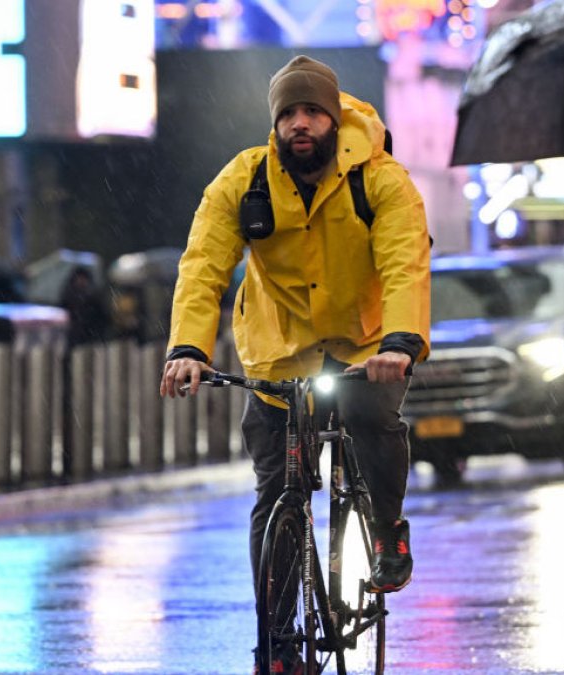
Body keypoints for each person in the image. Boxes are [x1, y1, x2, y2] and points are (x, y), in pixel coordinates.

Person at [158, 56, 430, 672]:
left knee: (374, 421)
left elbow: (404, 262)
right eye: (288, 114)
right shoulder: (243, 180)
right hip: (277, 352)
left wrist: (401, 342)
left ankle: (387, 528)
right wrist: (188, 350)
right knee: (276, 490)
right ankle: (276, 645)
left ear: (333, 119)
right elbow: (202, 265)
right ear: (274, 123)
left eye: (312, 112)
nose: (299, 124)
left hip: (365, 348)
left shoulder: (380, 179)